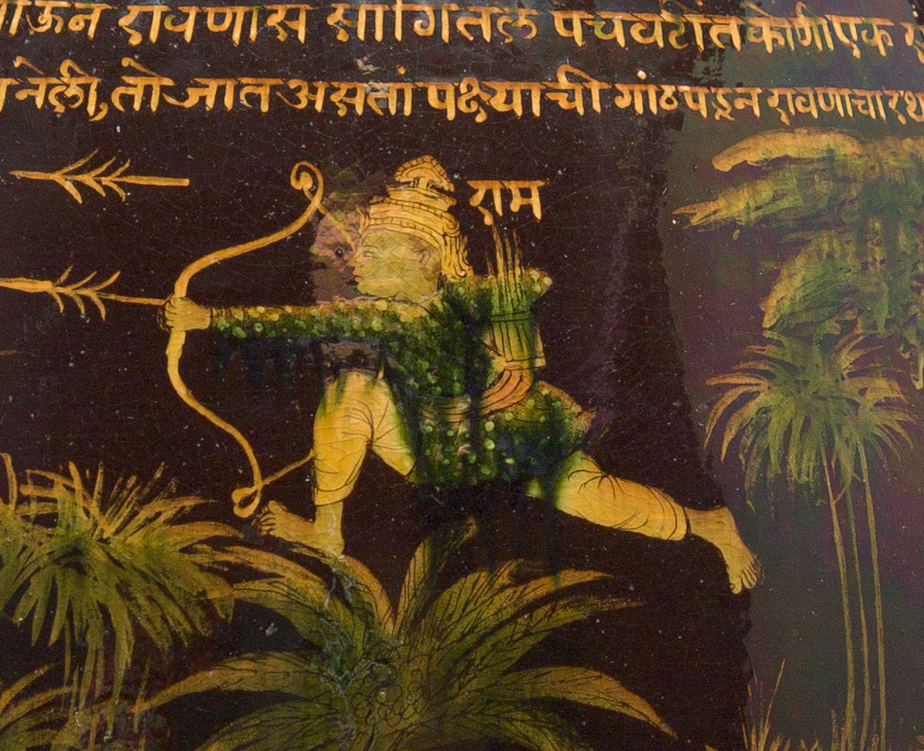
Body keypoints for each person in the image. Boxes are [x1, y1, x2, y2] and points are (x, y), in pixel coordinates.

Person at [218, 158, 759, 590]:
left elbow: (517, 350)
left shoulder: (455, 305)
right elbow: (307, 322)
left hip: (510, 438)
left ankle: (708, 524)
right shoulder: (396, 312)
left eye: (377, 249)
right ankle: (327, 533)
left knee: (594, 498)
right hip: (437, 445)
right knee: (353, 390)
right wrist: (209, 317)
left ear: (426, 258)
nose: (358, 263)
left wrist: (208, 317)